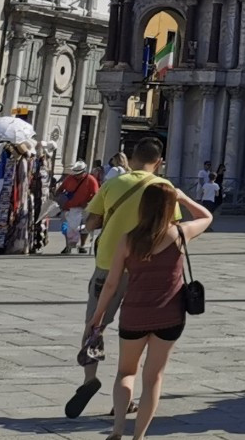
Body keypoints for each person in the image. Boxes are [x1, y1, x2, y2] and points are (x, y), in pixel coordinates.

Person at [86, 178, 213, 440]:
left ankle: (118, 426)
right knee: (153, 377)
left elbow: (110, 284)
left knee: (125, 372)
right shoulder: (180, 234)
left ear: (143, 207)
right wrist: (182, 198)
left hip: (134, 314)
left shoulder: (128, 240)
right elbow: (207, 216)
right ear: (169, 208)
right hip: (169, 315)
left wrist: (98, 317)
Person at [67, 140, 175, 421]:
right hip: (146, 270)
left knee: (95, 323)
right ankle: (123, 400)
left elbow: (91, 223)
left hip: (107, 266)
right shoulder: (165, 189)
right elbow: (171, 228)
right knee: (137, 334)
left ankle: (90, 378)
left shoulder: (113, 184)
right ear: (159, 162)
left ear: (133, 158)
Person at [55, 161, 100, 255]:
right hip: (69, 207)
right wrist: (58, 198)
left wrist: (88, 203)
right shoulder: (69, 178)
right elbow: (60, 189)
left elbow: (96, 194)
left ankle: (82, 245)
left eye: (78, 173)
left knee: (84, 228)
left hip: (84, 208)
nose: (76, 175)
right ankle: (68, 246)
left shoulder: (91, 179)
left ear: (84, 171)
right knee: (68, 228)